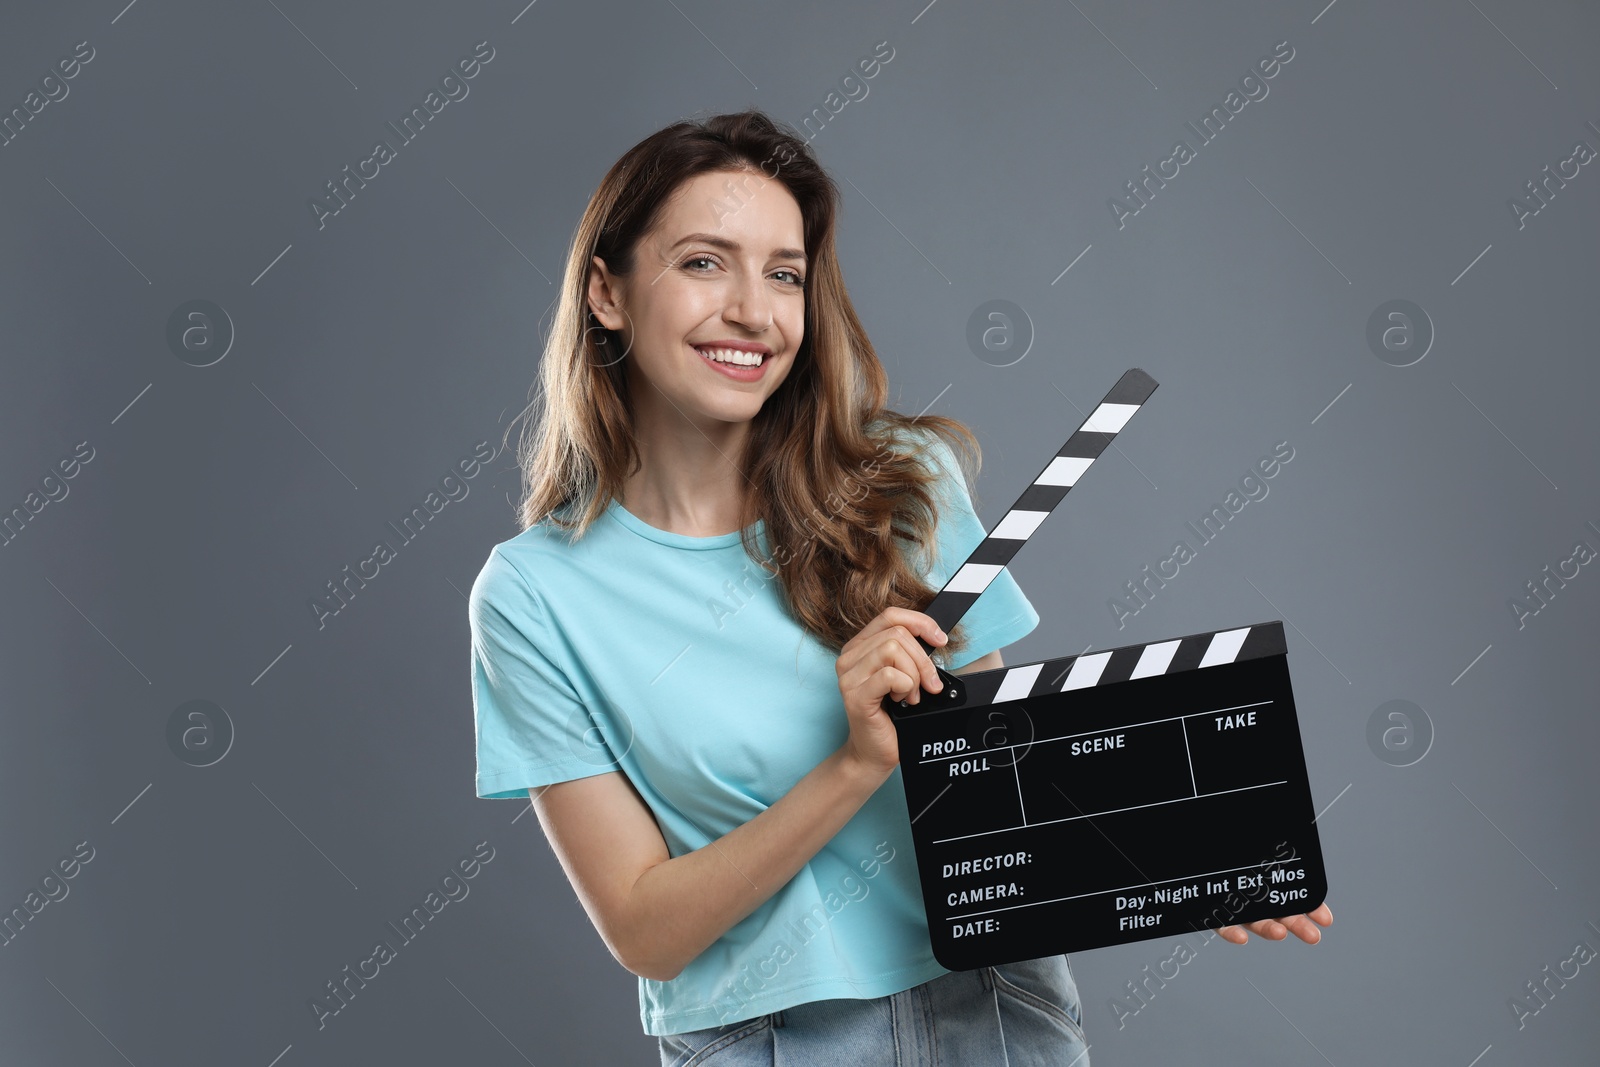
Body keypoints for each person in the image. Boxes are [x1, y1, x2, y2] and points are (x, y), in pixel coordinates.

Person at [468, 109, 1330, 1066]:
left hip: (994, 1004)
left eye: (785, 273)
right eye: (704, 263)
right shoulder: (535, 596)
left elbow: (999, 781)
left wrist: (1189, 847)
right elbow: (643, 928)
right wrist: (853, 765)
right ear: (607, 292)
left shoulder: (901, 483)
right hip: (760, 1042)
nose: (755, 311)